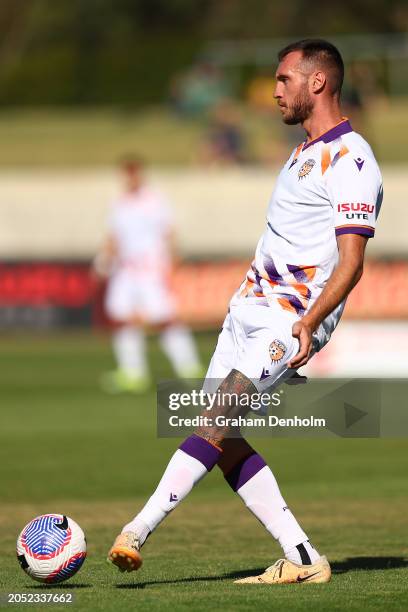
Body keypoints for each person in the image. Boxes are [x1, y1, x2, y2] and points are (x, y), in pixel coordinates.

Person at [107, 40, 383, 584]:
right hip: (246, 315)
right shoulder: (304, 150)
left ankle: (134, 533)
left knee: (214, 420)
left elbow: (351, 264)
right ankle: (303, 558)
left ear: (318, 83)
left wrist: (309, 324)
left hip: (288, 321)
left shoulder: (351, 159)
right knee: (222, 437)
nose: (275, 90)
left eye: (284, 80)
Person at [93, 155, 203, 393]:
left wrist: (173, 260)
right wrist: (103, 261)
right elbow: (114, 237)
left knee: (164, 318)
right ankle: (133, 373)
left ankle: (189, 367)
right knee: (123, 318)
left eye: (133, 172)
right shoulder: (120, 203)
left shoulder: (154, 200)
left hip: (151, 268)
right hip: (125, 269)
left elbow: (169, 231)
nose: (129, 178)